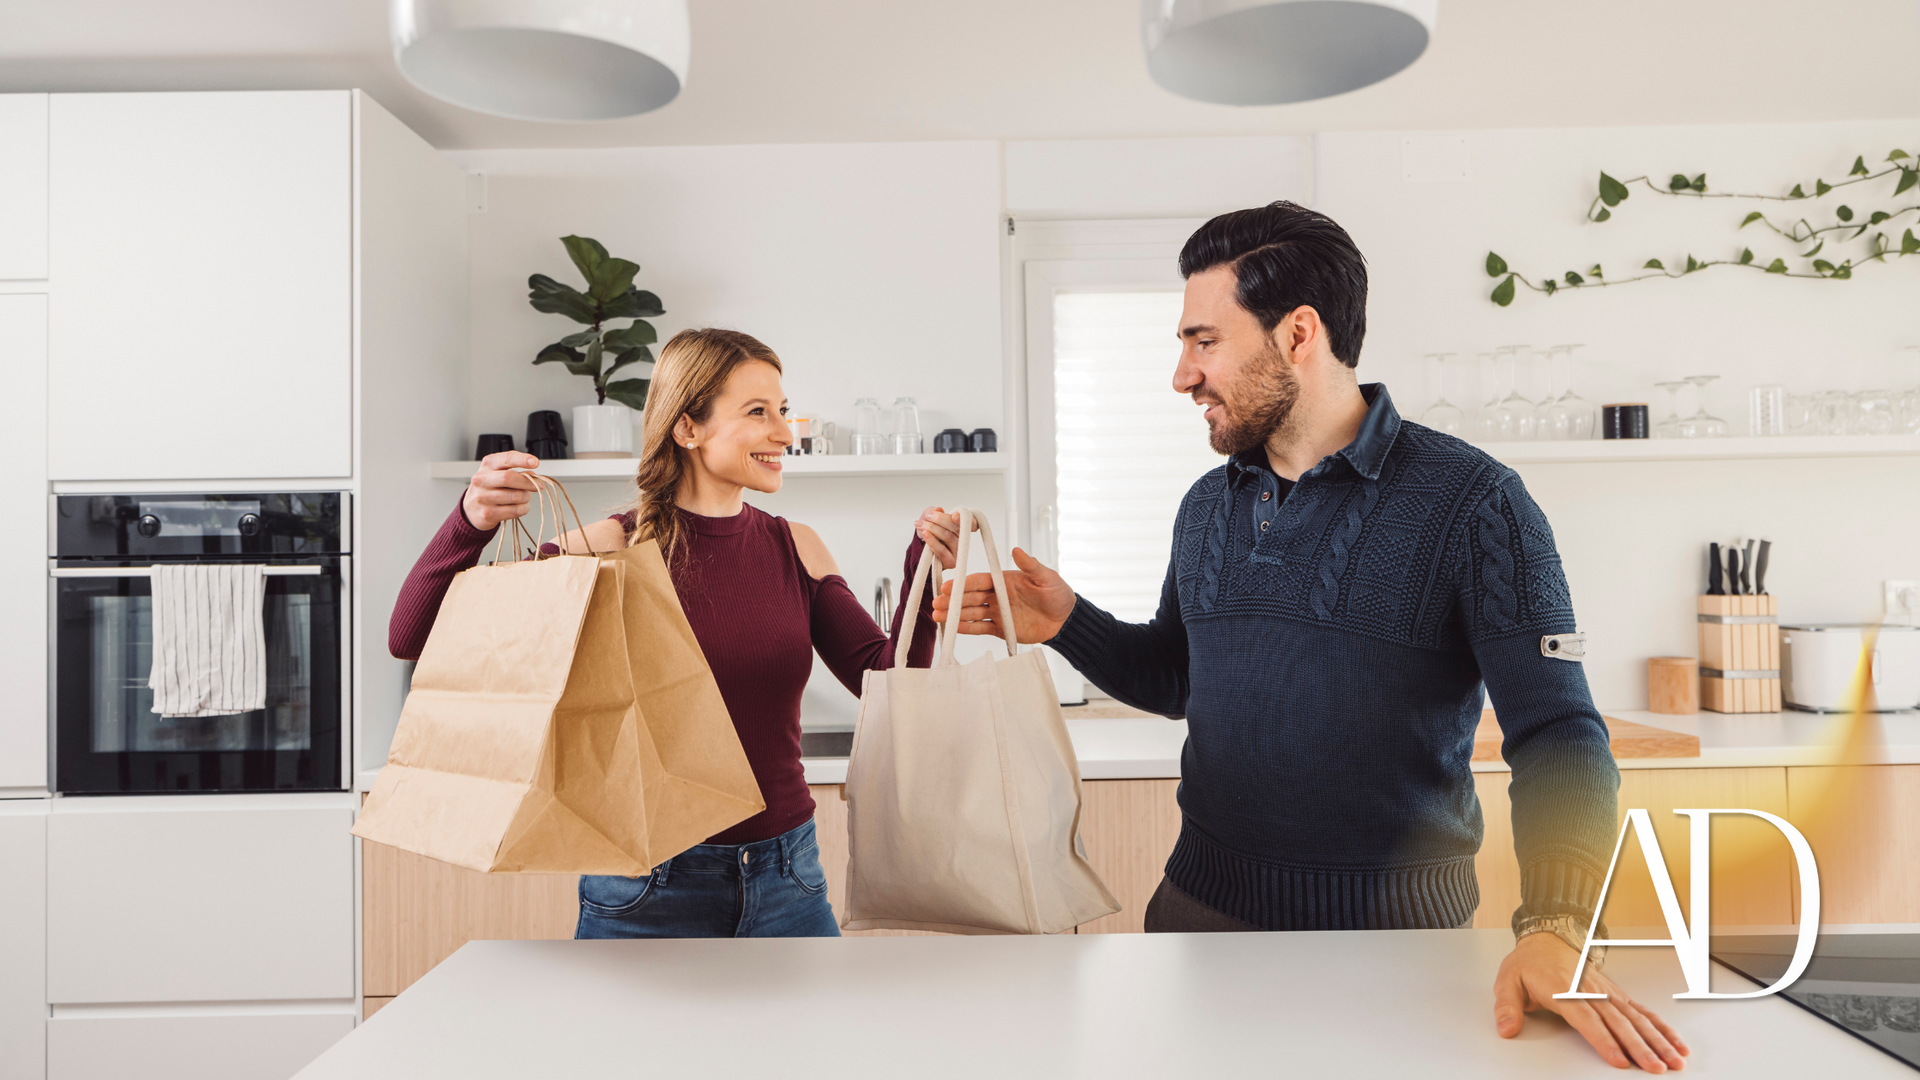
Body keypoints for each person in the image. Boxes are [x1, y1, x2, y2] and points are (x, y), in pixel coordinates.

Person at [934, 203, 1690, 1073]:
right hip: (1194, 922)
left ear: (1299, 333)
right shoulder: (1206, 507)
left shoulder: (1475, 504)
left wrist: (1556, 923)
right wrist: (1068, 623)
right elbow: (1185, 678)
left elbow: (1558, 733)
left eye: (1203, 341)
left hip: (1396, 951)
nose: (1182, 375)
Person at [390, 327, 969, 939]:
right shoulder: (608, 550)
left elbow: (888, 684)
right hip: (646, 888)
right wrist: (469, 522)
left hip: (787, 881)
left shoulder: (794, 545)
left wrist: (924, 572)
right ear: (687, 428)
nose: (782, 432)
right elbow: (415, 636)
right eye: (757, 412)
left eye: (783, 411)